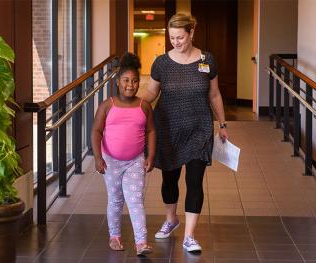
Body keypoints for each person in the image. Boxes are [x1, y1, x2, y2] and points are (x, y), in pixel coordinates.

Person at [144, 13, 228, 252]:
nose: (176, 42)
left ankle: (189, 236)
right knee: (169, 180)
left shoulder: (207, 60)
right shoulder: (161, 63)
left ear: (191, 33)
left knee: (194, 181)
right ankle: (171, 220)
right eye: (172, 37)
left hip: (199, 129)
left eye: (180, 37)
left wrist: (222, 124)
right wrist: (133, 106)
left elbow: (214, 94)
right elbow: (151, 93)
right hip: (168, 129)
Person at [91, 53, 156, 256]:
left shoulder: (143, 106)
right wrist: (98, 157)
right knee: (116, 199)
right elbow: (96, 131)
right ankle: (115, 236)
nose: (131, 85)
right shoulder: (107, 105)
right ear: (118, 82)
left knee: (135, 200)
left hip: (135, 161)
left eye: (135, 81)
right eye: (126, 80)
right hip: (110, 161)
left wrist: (150, 156)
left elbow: (151, 131)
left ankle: (141, 242)